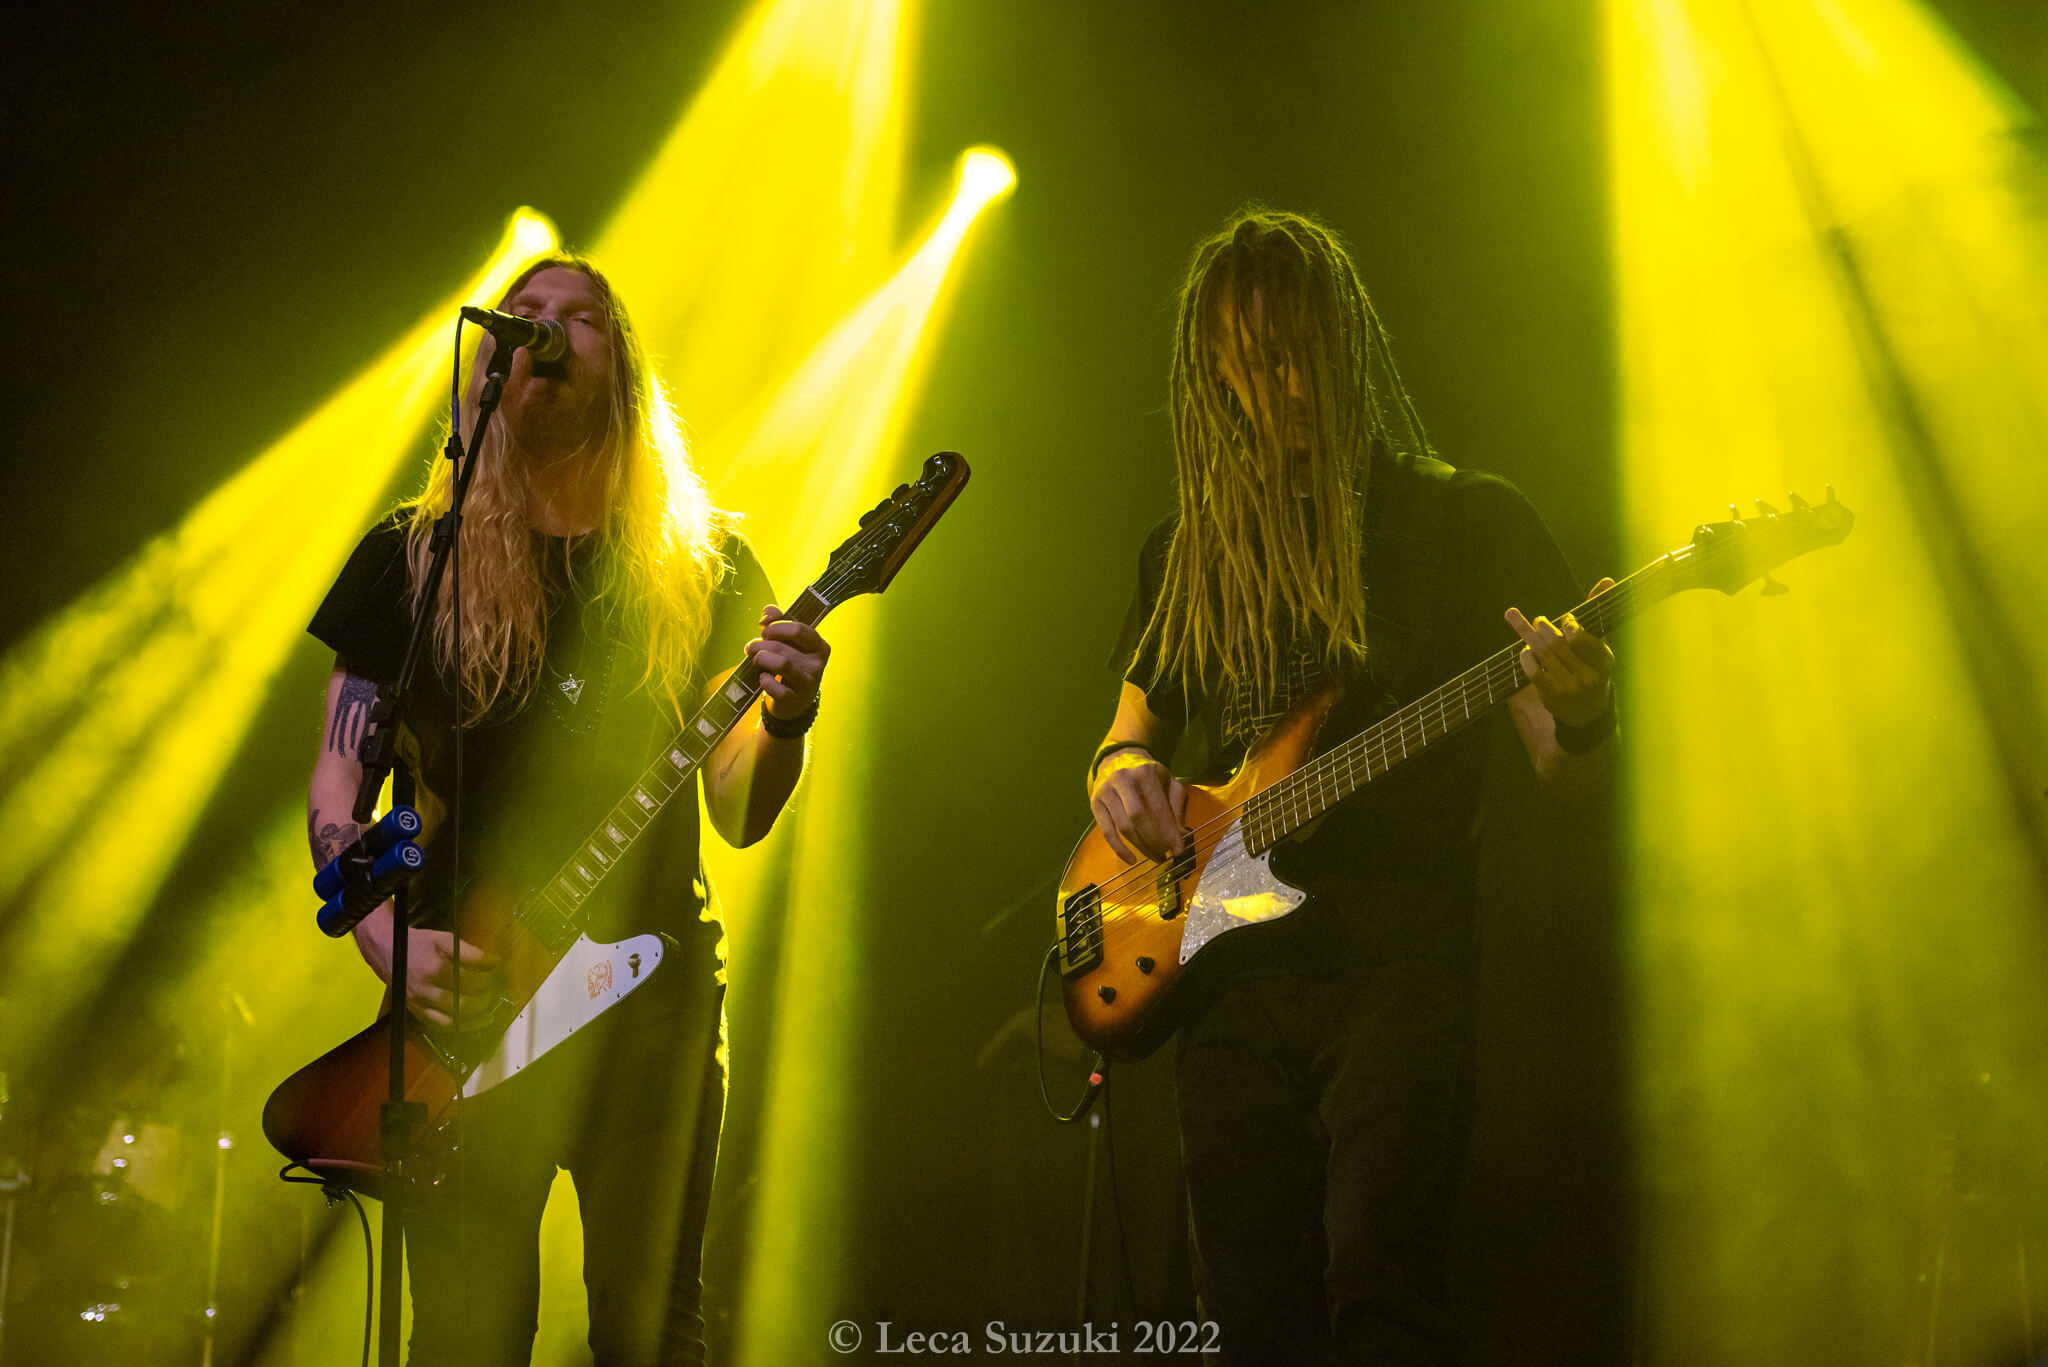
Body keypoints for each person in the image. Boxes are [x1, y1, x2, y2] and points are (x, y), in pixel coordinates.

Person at [1087, 208, 1616, 1365]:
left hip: (1399, 961)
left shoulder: (1464, 520)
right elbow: (1126, 738)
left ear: (1337, 345)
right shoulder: (1191, 550)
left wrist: (1579, 714)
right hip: (1227, 978)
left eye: (1278, 351)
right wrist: (1123, 780)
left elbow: (1555, 770)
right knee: (1248, 1312)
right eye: (1232, 358)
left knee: (1381, 1290)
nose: (1256, 382)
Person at [306, 254, 828, 1365]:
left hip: (652, 1006)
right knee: (461, 1336)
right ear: (488, 365)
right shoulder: (413, 563)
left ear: (623, 372)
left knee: (651, 1329)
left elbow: (738, 808)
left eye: (578, 318)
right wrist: (384, 936)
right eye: (524, 314)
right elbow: (337, 788)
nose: (543, 329)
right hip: (465, 1010)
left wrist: (785, 721)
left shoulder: (701, 567)